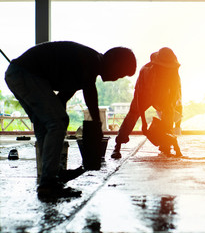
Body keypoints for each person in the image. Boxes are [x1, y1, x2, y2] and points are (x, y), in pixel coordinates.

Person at [5, 41, 137, 199]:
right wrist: (96, 127)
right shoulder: (92, 60)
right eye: (120, 73)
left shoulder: (82, 67)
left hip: (17, 74)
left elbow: (61, 99)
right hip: (25, 73)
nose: (117, 78)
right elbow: (90, 91)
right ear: (114, 61)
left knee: (46, 124)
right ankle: (49, 181)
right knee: (58, 121)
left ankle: (51, 176)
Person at [112, 47, 182, 159]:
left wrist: (170, 118)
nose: (167, 70)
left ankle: (166, 146)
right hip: (145, 94)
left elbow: (174, 96)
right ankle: (118, 145)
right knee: (133, 114)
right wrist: (144, 123)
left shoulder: (173, 73)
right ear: (158, 66)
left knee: (168, 114)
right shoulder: (146, 72)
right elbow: (139, 98)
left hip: (162, 96)